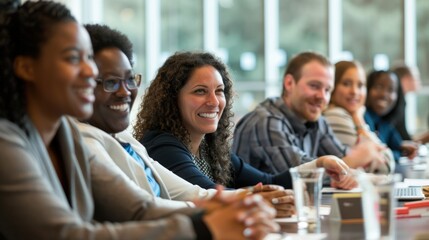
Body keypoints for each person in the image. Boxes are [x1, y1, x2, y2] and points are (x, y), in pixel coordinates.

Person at [0, 1, 278, 239]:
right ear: (26, 67)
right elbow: (68, 235)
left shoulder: (67, 137)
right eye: (74, 59)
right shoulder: (6, 143)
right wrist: (202, 226)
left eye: (89, 58)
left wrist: (219, 211)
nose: (90, 71)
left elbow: (139, 208)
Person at [78, 23, 295, 217]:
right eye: (110, 82)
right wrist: (251, 201)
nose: (125, 92)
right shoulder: (156, 145)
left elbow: (192, 194)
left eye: (129, 80)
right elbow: (144, 209)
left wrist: (251, 199)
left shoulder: (124, 140)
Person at [133, 51, 356, 192]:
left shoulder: (209, 149)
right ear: (173, 99)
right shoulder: (162, 145)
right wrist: (262, 197)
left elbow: (269, 181)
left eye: (219, 91)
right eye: (200, 91)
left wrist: (320, 164)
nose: (214, 101)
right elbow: (209, 194)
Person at [232, 51, 384, 174]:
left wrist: (352, 163)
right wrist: (354, 161)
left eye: (327, 90)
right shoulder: (267, 121)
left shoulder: (316, 120)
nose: (322, 97)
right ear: (289, 83)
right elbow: (299, 177)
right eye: (314, 86)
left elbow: (343, 161)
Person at [323, 60, 395, 174]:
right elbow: (384, 167)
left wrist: (357, 117)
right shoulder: (336, 115)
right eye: (346, 83)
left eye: (360, 85)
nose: (354, 91)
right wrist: (359, 120)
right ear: (333, 85)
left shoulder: (350, 115)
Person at [364, 70, 418, 162]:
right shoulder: (363, 117)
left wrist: (402, 150)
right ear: (367, 89)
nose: (384, 94)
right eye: (378, 87)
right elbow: (378, 156)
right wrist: (397, 153)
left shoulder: (386, 122)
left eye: (391, 90)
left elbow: (400, 146)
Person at [389, 64, 429, 143]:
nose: (419, 82)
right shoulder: (397, 102)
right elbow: (403, 140)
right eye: (416, 78)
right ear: (406, 80)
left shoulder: (400, 100)